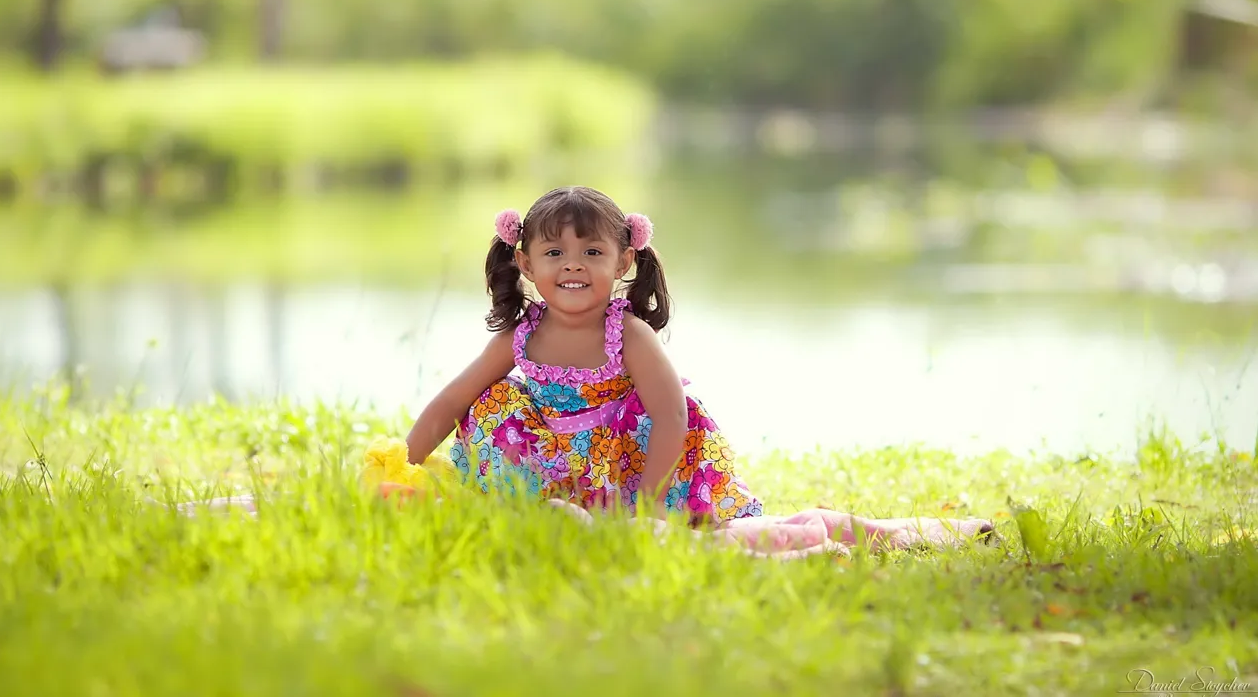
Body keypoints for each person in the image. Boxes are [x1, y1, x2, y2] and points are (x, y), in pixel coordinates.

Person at [401, 185, 998, 558]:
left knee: (702, 535)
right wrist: (401, 463)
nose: (573, 266)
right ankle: (565, 515)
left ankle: (877, 532)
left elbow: (670, 416)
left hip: (642, 465)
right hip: (565, 473)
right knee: (492, 401)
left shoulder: (626, 333)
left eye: (592, 253)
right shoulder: (522, 335)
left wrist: (647, 501)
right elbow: (452, 401)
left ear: (624, 260)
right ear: (527, 264)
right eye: (555, 253)